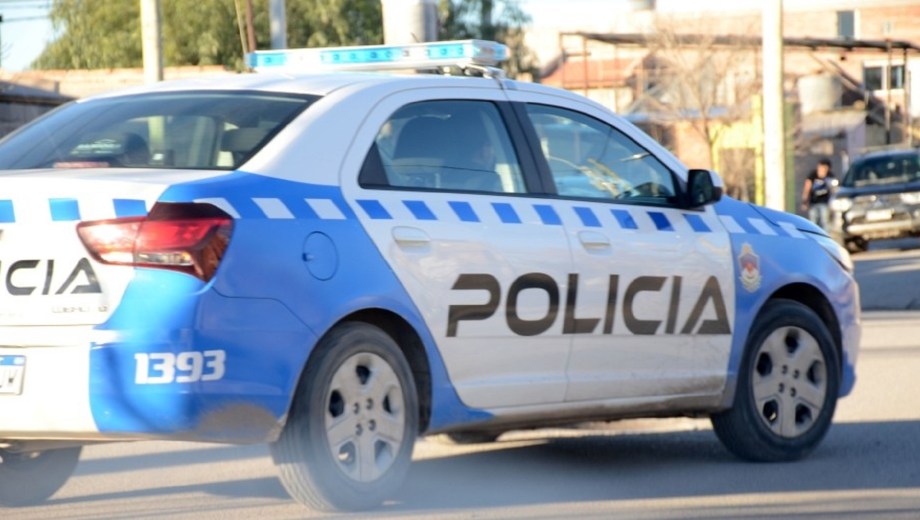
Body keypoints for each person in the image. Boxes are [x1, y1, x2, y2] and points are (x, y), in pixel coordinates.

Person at [801, 158, 836, 232]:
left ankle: (825, 238)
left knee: (825, 221)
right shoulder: (813, 175)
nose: (822, 170)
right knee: (813, 221)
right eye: (821, 167)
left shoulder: (830, 176)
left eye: (825, 168)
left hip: (825, 202)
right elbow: (807, 187)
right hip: (813, 202)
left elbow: (834, 188)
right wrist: (805, 201)